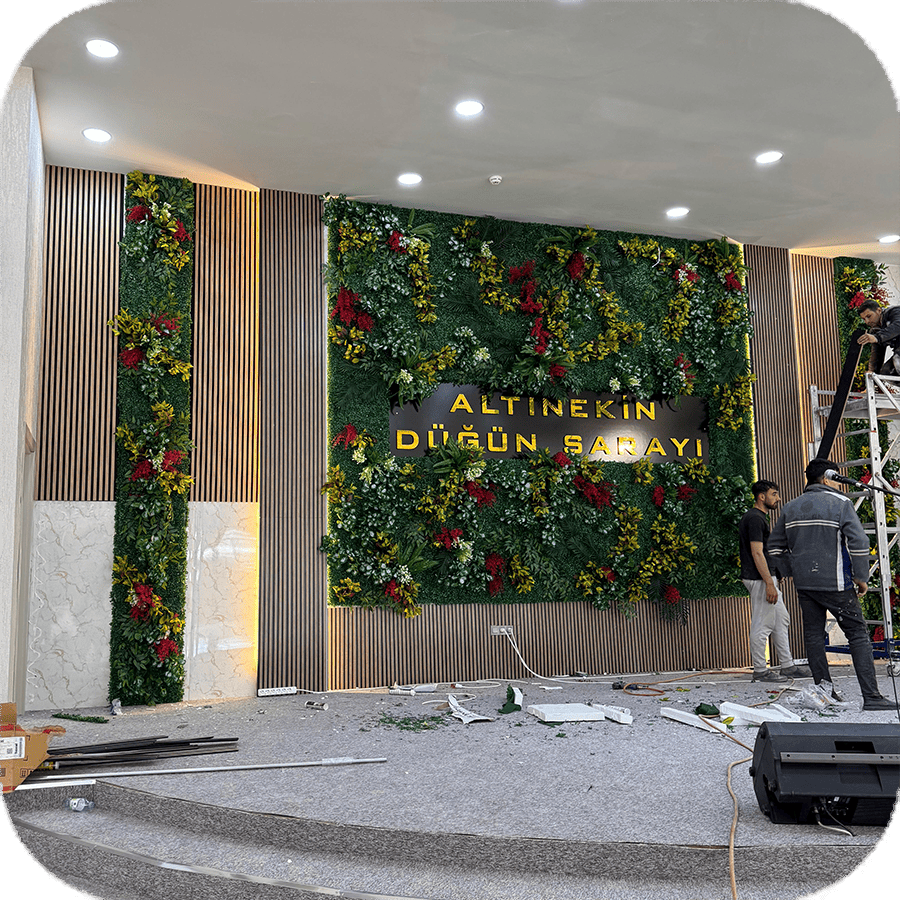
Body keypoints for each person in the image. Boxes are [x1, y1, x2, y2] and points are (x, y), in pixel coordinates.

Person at [768, 458, 900, 711]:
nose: (840, 484)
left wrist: (792, 569)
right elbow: (859, 542)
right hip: (836, 583)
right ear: (828, 478)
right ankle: (872, 697)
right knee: (858, 635)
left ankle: (825, 695)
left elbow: (774, 547)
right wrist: (861, 577)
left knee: (814, 636)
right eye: (837, 479)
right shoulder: (841, 504)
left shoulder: (790, 508)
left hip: (805, 585)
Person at [738, 480, 811, 683]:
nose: (778, 498)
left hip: (765, 577)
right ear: (762, 497)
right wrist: (769, 583)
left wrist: (775, 574)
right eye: (774, 494)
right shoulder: (755, 518)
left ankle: (787, 666)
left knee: (781, 619)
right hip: (760, 579)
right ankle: (760, 670)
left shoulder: (758, 517)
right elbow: (757, 553)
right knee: (762, 624)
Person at [857, 299, 900, 375]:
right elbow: (877, 354)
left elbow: (897, 326)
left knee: (897, 360)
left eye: (869, 316)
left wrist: (877, 337)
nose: (867, 321)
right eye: (864, 319)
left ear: (879, 310)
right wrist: (872, 372)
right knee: (886, 373)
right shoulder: (875, 331)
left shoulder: (895, 311)